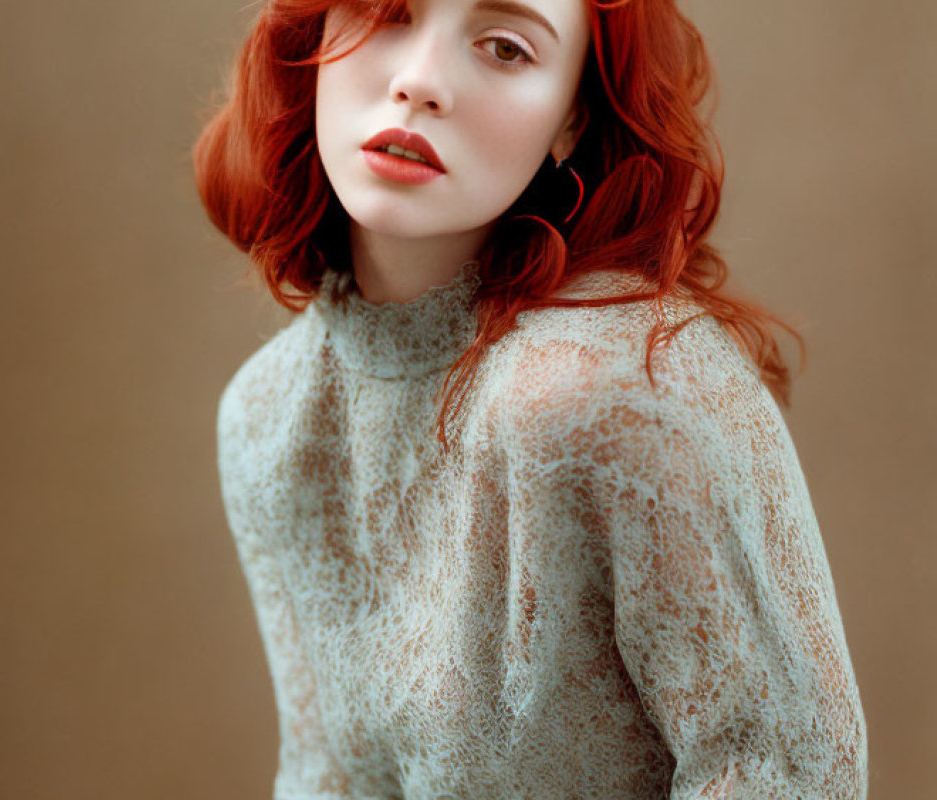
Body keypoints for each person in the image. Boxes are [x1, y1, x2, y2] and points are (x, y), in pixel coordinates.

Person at [193, 0, 869, 797]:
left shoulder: (615, 385)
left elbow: (790, 772)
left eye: (506, 47)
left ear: (572, 121)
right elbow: (325, 777)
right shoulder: (270, 421)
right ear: (311, 40)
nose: (419, 82)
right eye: (388, 11)